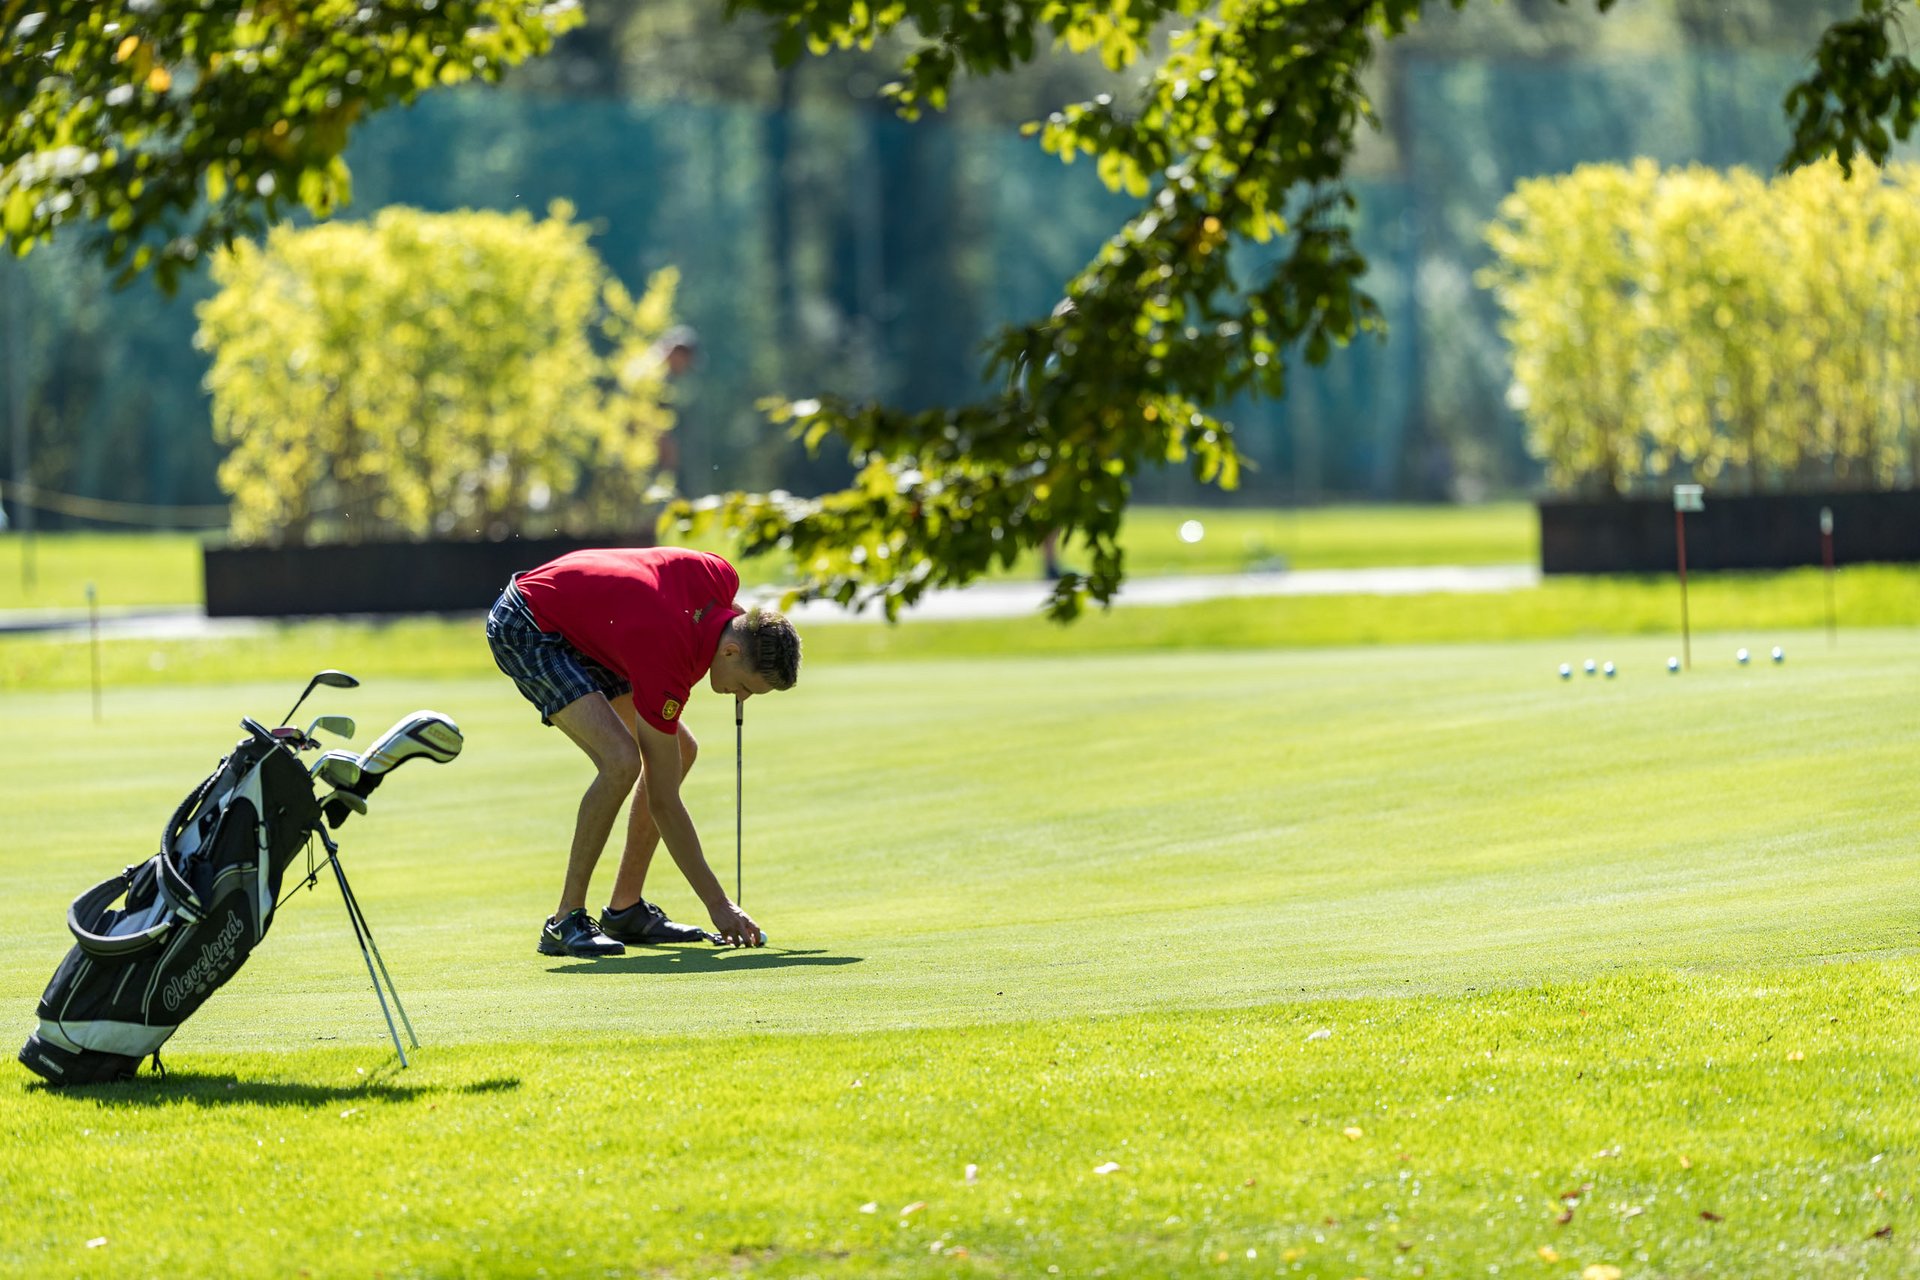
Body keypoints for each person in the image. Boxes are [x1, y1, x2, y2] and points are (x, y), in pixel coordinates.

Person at [484, 546, 801, 957]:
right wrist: (719, 907)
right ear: (731, 652)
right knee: (621, 762)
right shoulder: (667, 654)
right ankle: (564, 921)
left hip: (586, 621)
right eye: (746, 687)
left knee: (681, 749)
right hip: (529, 622)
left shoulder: (722, 577)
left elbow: (719, 612)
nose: (741, 697)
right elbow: (664, 802)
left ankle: (624, 909)